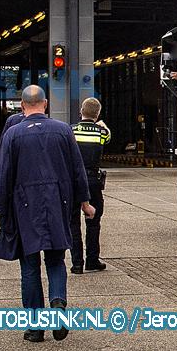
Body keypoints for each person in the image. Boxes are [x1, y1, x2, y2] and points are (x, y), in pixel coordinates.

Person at [0, 85, 95, 343]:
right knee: (56, 260)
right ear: (46, 104)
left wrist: (3, 212)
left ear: (22, 105)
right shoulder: (63, 130)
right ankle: (58, 304)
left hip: (24, 207)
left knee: (29, 267)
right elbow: (77, 168)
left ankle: (35, 328)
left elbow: (2, 178)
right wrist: (84, 202)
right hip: (58, 203)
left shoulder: (12, 135)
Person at [70, 98, 111, 274]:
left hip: (74, 181)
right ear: (98, 113)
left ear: (81, 111)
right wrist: (100, 123)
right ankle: (92, 260)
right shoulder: (101, 132)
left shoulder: (71, 131)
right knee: (94, 222)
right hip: (93, 181)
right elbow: (108, 136)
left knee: (73, 222)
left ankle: (77, 263)